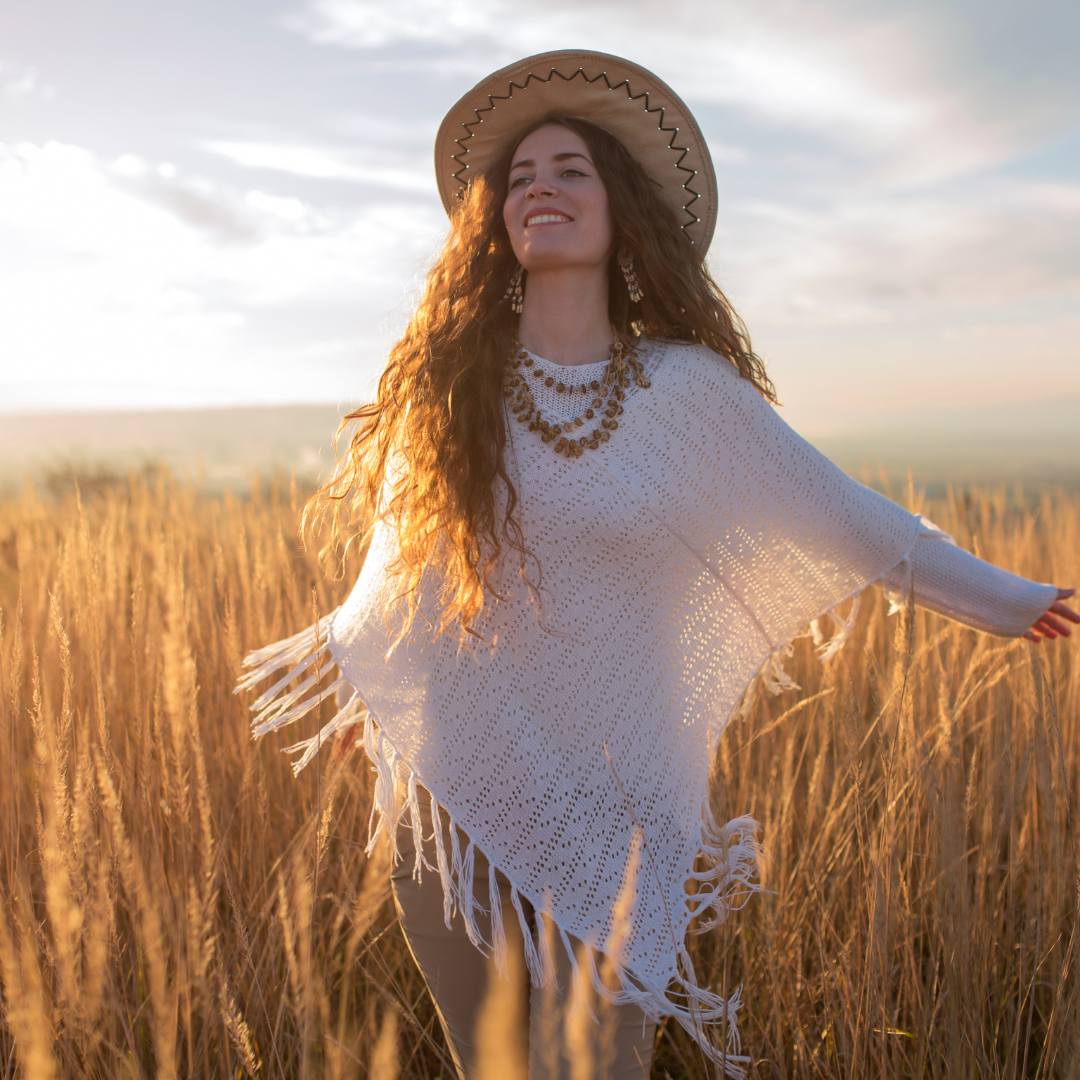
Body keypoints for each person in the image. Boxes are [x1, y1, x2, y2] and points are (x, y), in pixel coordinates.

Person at [237, 51, 1078, 1080]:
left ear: (619, 210)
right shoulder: (448, 394)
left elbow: (844, 516)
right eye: (521, 175)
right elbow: (391, 593)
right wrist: (351, 674)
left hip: (614, 808)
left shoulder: (689, 393)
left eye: (571, 169)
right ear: (495, 222)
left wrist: (1011, 599)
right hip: (453, 808)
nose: (539, 184)